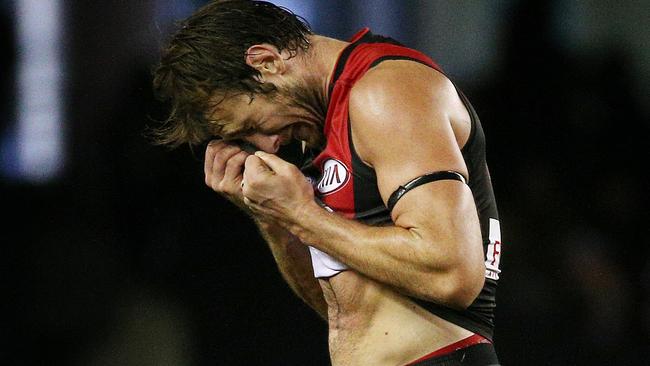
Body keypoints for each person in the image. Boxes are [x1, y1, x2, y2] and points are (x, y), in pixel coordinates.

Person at [151, 1, 503, 365]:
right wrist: (273, 218)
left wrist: (302, 214)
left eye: (253, 126)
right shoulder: (318, 125)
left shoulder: (386, 92)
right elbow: (343, 310)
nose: (269, 145)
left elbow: (453, 273)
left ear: (266, 62)